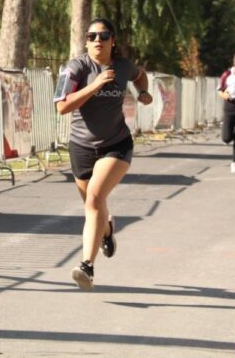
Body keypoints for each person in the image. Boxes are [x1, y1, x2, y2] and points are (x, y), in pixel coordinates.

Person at [54, 18, 152, 291]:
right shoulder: (76, 68)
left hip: (116, 144)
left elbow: (140, 74)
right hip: (82, 147)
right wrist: (95, 85)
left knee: (95, 200)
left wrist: (143, 91)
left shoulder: (122, 66)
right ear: (86, 41)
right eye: (92, 36)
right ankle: (107, 231)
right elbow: (61, 107)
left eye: (104, 36)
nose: (98, 40)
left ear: (113, 41)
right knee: (94, 207)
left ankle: (87, 266)